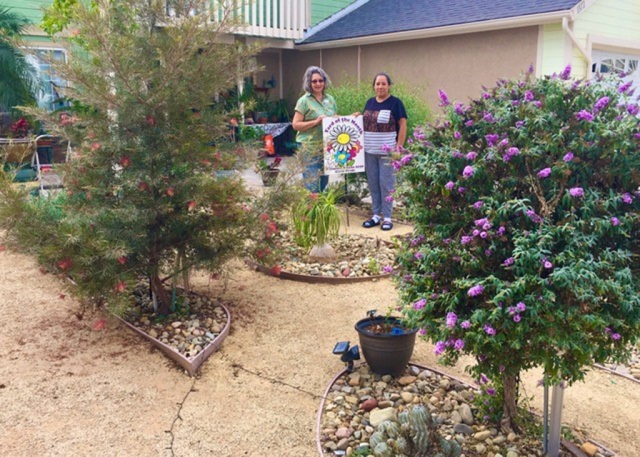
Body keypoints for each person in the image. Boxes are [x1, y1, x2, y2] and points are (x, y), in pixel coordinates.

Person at [361, 72, 407, 231]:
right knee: (373, 183)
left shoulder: (395, 103)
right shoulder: (369, 102)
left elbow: (402, 125)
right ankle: (376, 215)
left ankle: (387, 217)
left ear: (389, 86)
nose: (380, 87)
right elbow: (364, 121)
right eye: (377, 84)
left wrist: (398, 148)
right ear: (374, 86)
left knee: (386, 184)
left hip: (387, 152)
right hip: (369, 151)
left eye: (383, 84)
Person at [292, 66, 337, 193]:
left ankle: (319, 210)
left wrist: (350, 118)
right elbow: (295, 125)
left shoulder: (330, 99)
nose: (318, 84)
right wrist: (315, 122)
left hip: (326, 147)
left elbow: (334, 119)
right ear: (309, 83)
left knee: (324, 181)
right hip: (309, 147)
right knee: (312, 183)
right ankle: (310, 210)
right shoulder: (304, 101)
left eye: (320, 80)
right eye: (314, 81)